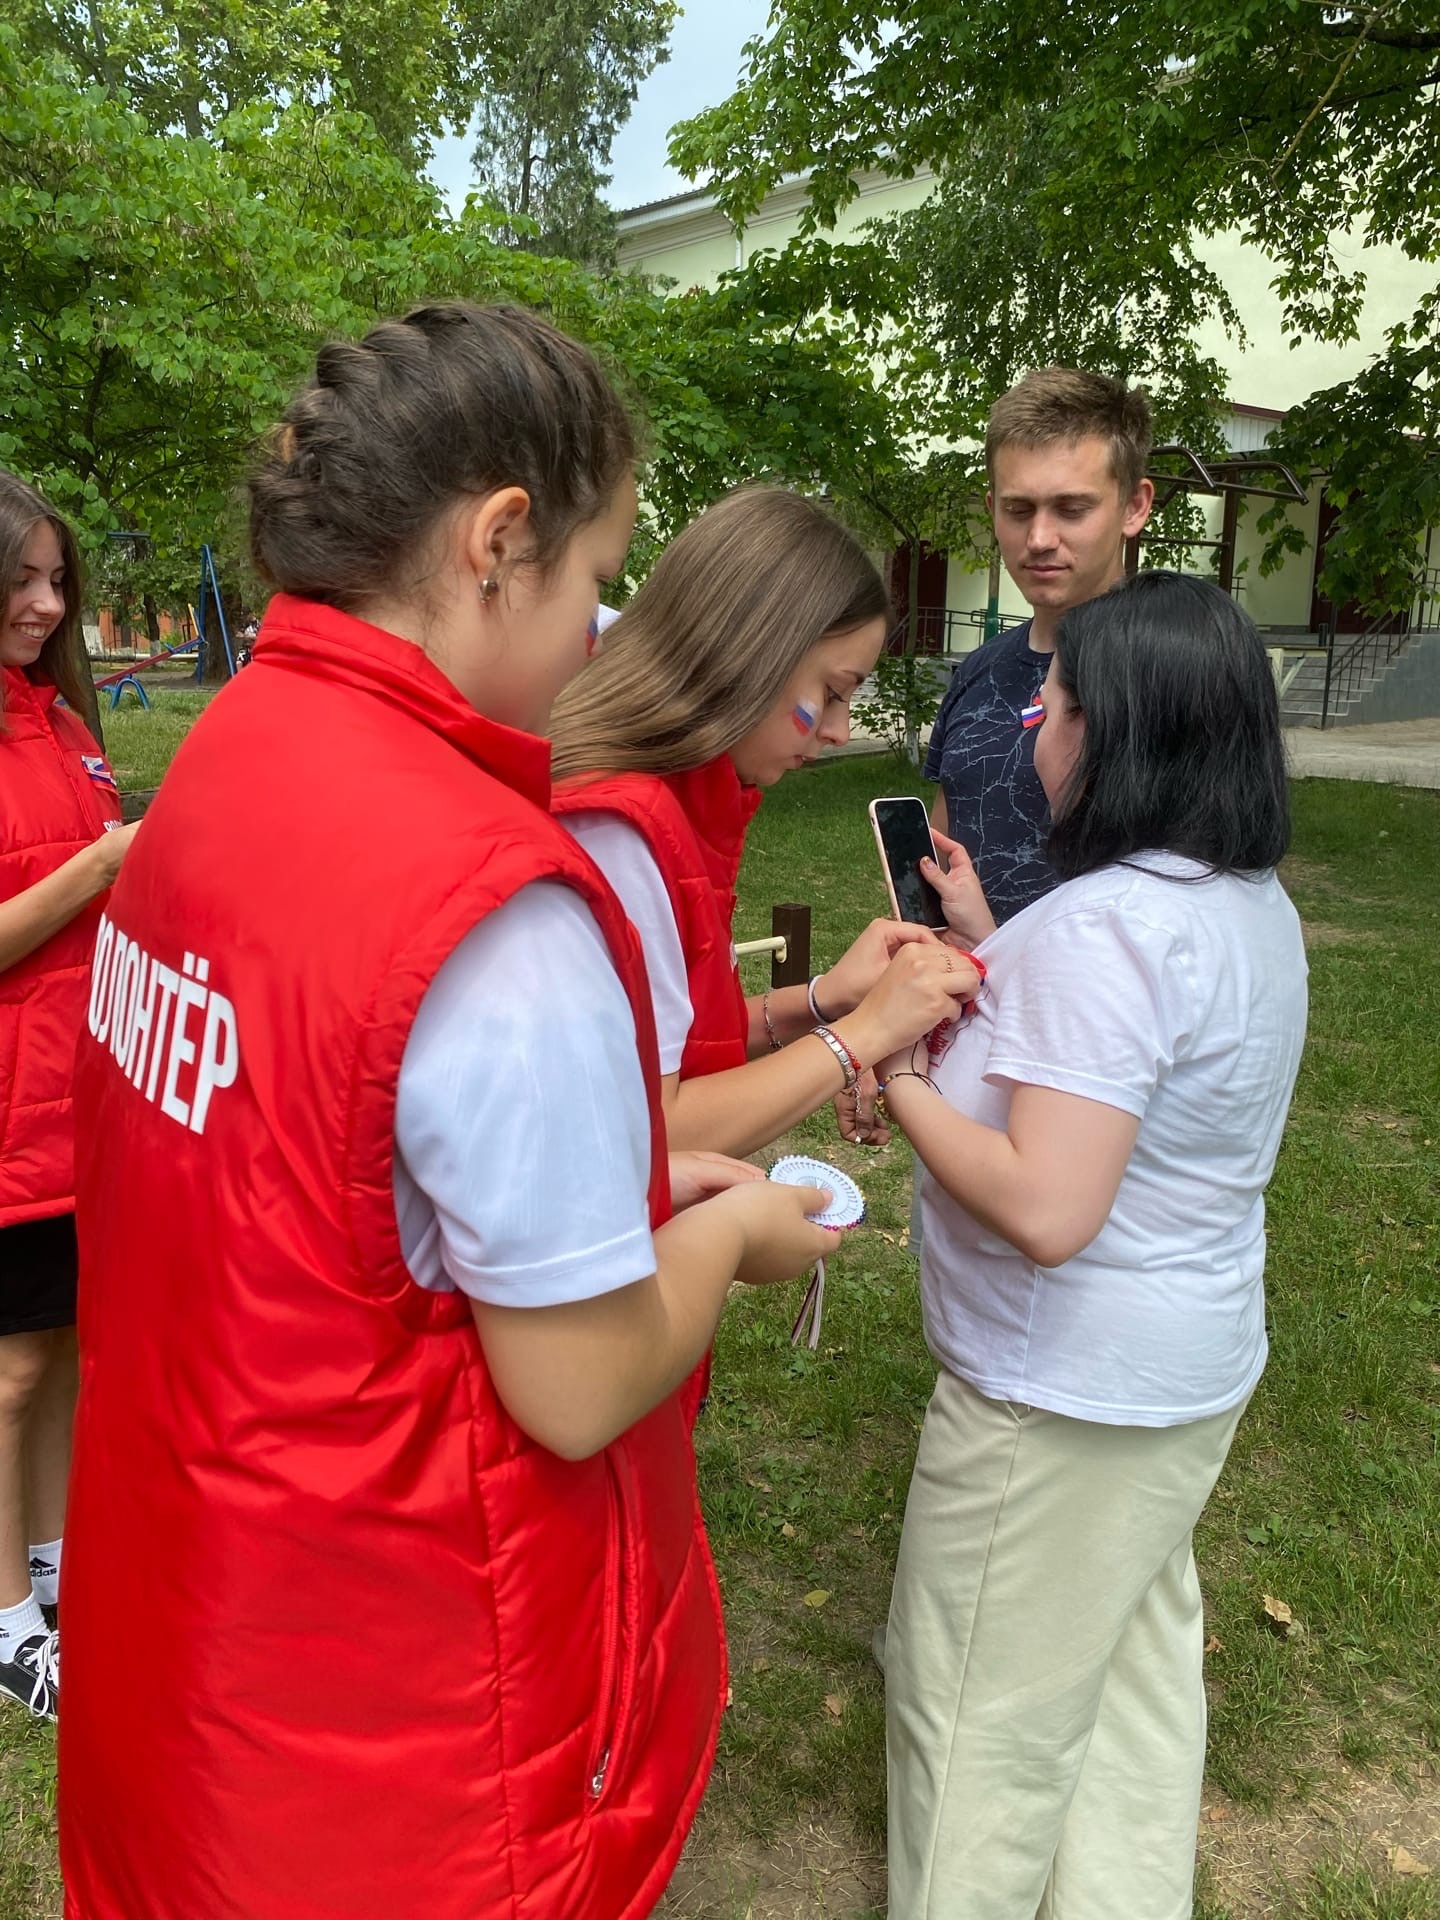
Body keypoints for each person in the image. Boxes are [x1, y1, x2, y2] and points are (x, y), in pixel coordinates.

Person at [60, 303, 842, 1920]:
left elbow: (315, 1183)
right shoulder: (489, 898)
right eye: (596, 578)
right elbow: (572, 1385)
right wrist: (741, 1233)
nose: (599, 636)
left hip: (205, 1678)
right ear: (501, 541)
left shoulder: (223, 762)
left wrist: (614, 1174)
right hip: (403, 1757)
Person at [876, 572, 1308, 1919]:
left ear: (1117, 730)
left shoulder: (1114, 931)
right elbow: (1109, 1066)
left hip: (1057, 1397)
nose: (1035, 726)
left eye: (1053, 703)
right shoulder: (1243, 903)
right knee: (1125, 1679)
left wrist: (888, 1072)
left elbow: (1049, 1206)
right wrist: (992, 945)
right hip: (1178, 1377)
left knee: (973, 1719)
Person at [549, 486, 981, 1169]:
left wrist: (827, 999)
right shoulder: (619, 832)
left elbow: (679, 1049)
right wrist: (866, 1032)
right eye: (833, 693)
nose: (839, 731)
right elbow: (651, 1133)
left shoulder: (686, 808)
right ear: (750, 654)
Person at [0, 471, 137, 1722]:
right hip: (9, 1119)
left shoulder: (67, 724)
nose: (45, 603)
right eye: (22, 579)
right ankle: (3, 1619)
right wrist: (105, 861)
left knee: (62, 1357)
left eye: (58, 581)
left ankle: (53, 1567)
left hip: (82, 1104)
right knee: (11, 1375)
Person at [924, 366, 1156, 925]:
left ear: (1134, 507)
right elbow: (942, 838)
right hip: (963, 1002)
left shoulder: (1169, 673)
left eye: (1072, 509)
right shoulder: (977, 672)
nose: (1039, 539)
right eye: (1018, 509)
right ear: (991, 509)